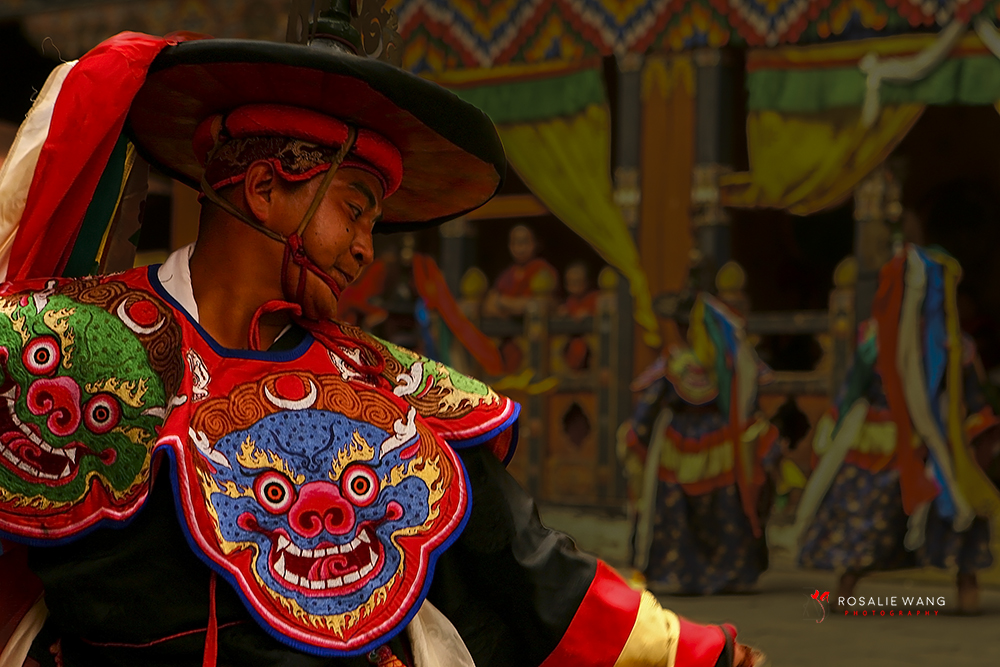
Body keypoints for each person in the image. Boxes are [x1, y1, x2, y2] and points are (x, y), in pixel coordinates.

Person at [0, 7, 764, 667]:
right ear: (264, 190)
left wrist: (696, 651)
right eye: (356, 210)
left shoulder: (385, 393)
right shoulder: (68, 344)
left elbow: (529, 573)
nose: (367, 248)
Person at [783, 244, 1000, 614]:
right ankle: (847, 585)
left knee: (956, 509)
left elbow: (972, 396)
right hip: (881, 438)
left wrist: (976, 431)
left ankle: (967, 583)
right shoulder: (875, 339)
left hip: (938, 437)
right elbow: (854, 386)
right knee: (865, 510)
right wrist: (836, 424)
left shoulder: (953, 344)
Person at [620, 293, 780, 595]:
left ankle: (678, 573)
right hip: (722, 443)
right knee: (724, 507)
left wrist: (635, 435)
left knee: (676, 510)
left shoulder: (673, 363)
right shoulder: (729, 362)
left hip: (677, 445)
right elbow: (749, 401)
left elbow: (649, 406)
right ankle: (731, 573)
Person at [482, 224, 558, 318]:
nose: (520, 247)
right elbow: (489, 306)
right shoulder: (507, 274)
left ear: (535, 244)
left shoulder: (543, 271)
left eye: (525, 242)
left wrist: (503, 302)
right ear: (510, 246)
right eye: (515, 242)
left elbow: (540, 305)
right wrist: (516, 307)